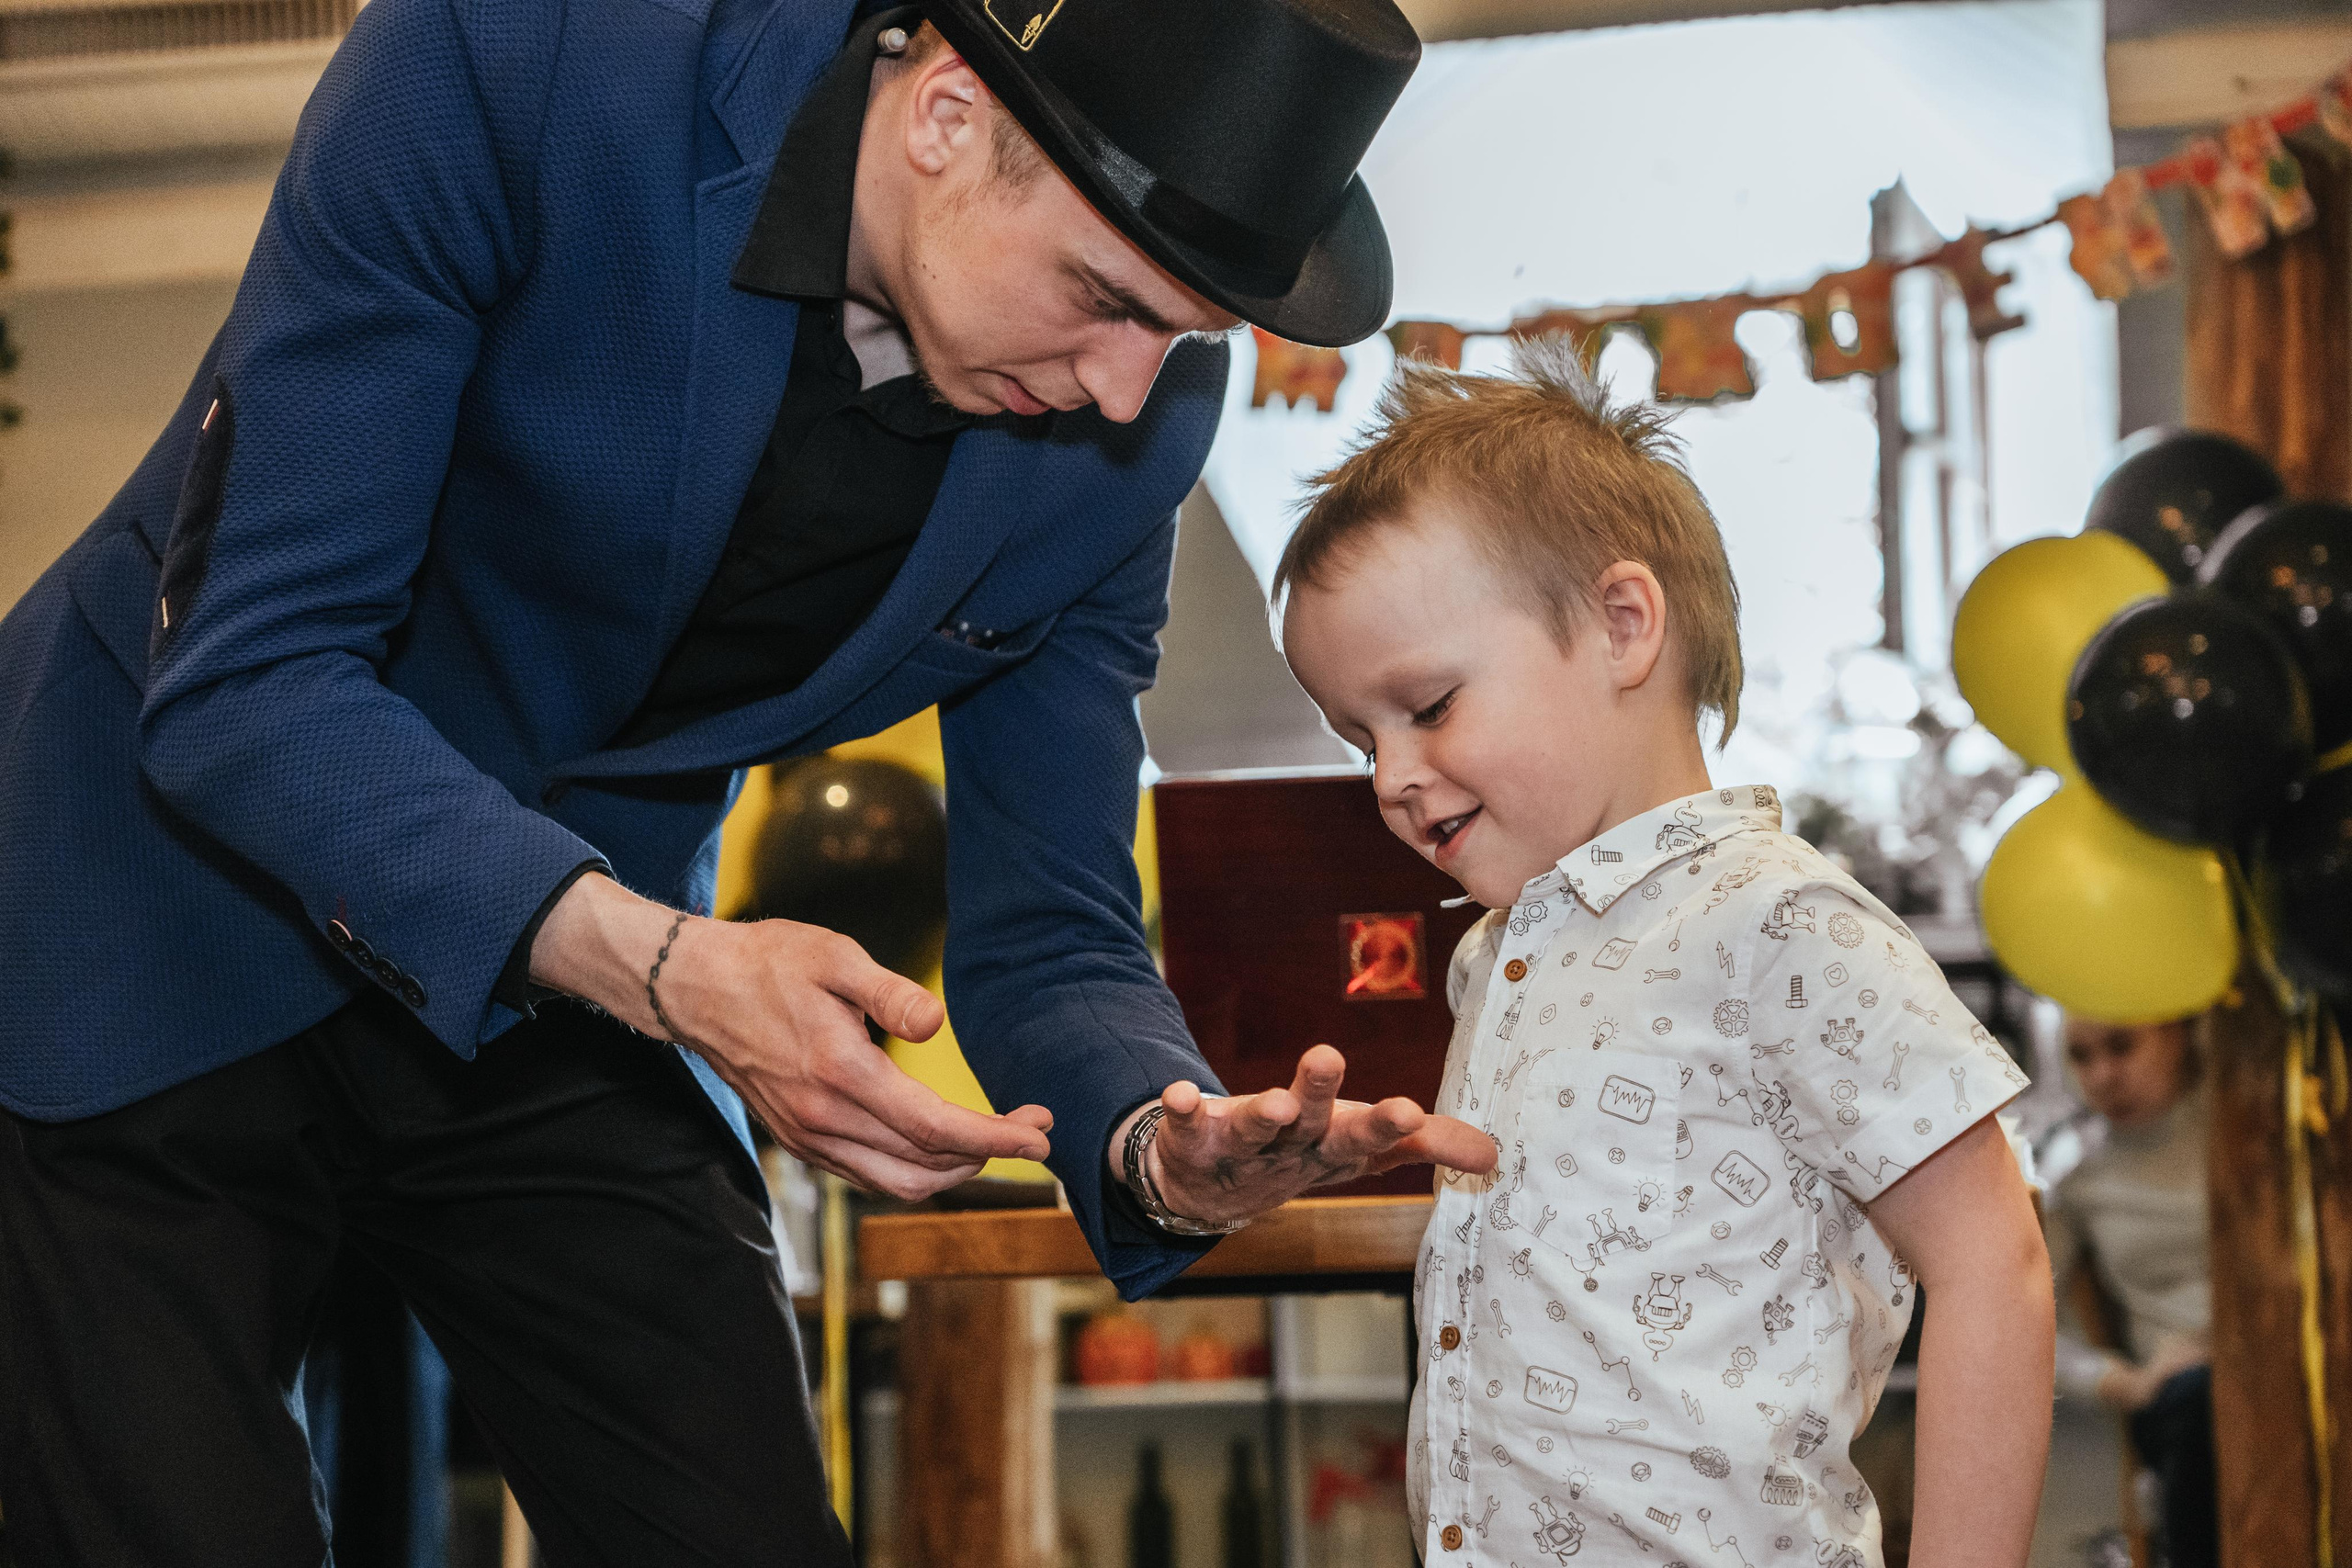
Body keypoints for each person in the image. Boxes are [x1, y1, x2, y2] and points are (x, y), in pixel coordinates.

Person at [0, 0, 1495, 1558]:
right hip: (157, 905)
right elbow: (255, 681)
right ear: (947, 118)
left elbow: (1047, 918)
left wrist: (1158, 1143)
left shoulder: (1129, 433)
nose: (1132, 391)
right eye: (1105, 296)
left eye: (1179, 334)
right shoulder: (511, 61)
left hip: (562, 983)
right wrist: (671, 966)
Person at [1273, 344, 2056, 1565]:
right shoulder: (1497, 957)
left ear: (1622, 622)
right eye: (1355, 736)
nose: (1389, 777)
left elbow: (1993, 1261)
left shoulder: (1781, 918)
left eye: (1426, 706)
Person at [2045, 1016, 2215, 1568]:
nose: (2102, 1076)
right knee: (2202, 1403)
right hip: (2183, 1396)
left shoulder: (2257, 1142)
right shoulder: (2082, 1186)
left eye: (2121, 1045)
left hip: (2287, 1359)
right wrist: (2124, 1382)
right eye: (2081, 1057)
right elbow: (2026, 1333)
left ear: (2179, 1035)